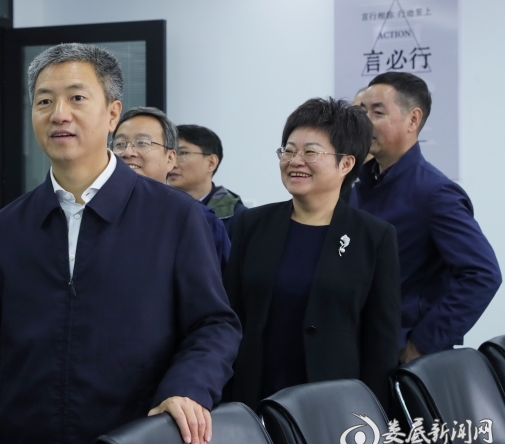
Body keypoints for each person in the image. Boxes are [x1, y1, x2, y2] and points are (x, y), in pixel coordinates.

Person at [0, 44, 241, 444]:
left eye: (76, 98)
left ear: (112, 114)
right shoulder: (8, 227)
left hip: (134, 442)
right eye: (44, 101)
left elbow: (214, 324)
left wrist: (187, 387)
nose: (59, 114)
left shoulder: (175, 216)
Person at [225, 97, 400, 410]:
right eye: (289, 150)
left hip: (334, 405)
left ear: (346, 164)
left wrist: (373, 417)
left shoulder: (374, 237)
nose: (295, 161)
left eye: (310, 152)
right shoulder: (251, 224)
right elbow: (230, 316)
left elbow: (381, 343)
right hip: (253, 398)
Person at [353, 72, 501, 363]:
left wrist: (422, 345)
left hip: (400, 357)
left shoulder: (434, 192)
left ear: (413, 120)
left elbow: (482, 274)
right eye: (361, 112)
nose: (365, 121)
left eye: (377, 113)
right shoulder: (358, 189)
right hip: (358, 347)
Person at [112, 107, 230, 269]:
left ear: (170, 159)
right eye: (120, 144)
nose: (127, 152)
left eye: (142, 143)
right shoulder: (94, 210)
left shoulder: (198, 218)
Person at [168, 124, 246, 233]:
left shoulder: (238, 218)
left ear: (211, 163)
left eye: (182, 153)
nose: (172, 164)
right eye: (169, 155)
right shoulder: (157, 208)